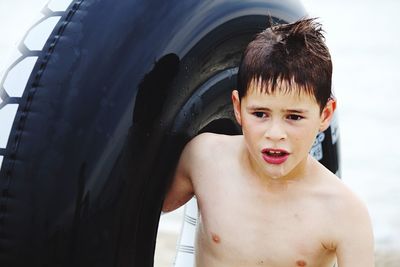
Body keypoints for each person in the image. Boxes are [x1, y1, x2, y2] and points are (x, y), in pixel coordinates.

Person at [162, 18, 374, 267]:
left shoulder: (344, 213)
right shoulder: (203, 159)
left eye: (294, 117)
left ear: (325, 115)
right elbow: (133, 214)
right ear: (238, 108)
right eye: (260, 114)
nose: (275, 133)